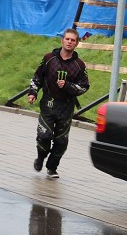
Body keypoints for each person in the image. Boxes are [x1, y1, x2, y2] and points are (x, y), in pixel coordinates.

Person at [26, 28, 89, 178]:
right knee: (45, 136)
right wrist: (33, 92)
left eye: (73, 40)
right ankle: (40, 158)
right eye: (67, 39)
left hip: (66, 107)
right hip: (48, 103)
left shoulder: (79, 65)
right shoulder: (49, 58)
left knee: (61, 141)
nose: (69, 42)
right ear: (62, 40)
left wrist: (68, 86)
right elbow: (37, 77)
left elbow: (84, 86)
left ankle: (52, 168)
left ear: (77, 44)